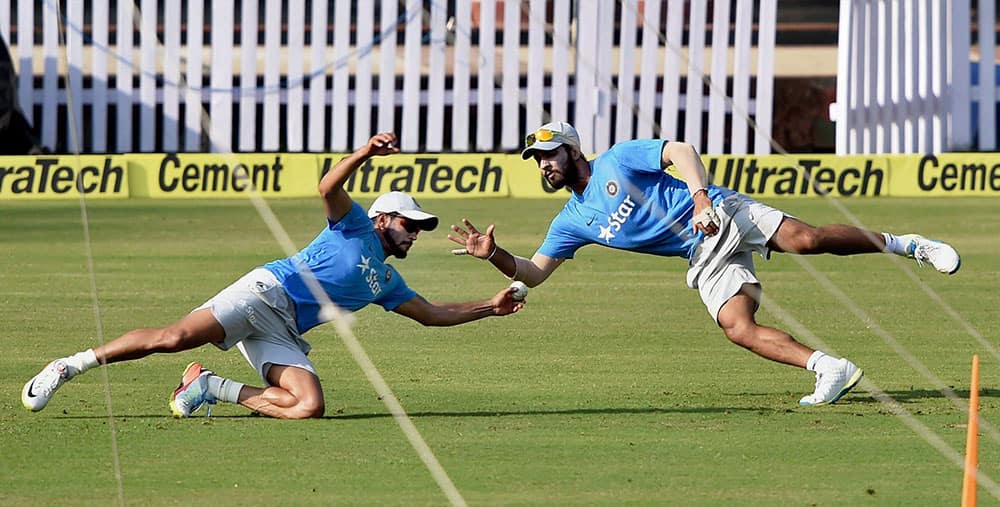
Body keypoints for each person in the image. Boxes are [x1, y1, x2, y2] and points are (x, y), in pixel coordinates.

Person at [449, 121, 961, 406]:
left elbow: (683, 149)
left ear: (573, 151)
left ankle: (908, 244)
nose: (544, 166)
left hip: (720, 212)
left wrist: (701, 200)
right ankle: (830, 368)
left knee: (806, 239)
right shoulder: (570, 220)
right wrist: (494, 256)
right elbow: (534, 272)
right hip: (700, 253)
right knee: (738, 329)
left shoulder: (618, 158)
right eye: (538, 161)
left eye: (550, 155)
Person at [22, 132, 524, 419]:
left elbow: (432, 315)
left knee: (308, 407)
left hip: (283, 330)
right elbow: (327, 186)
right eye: (408, 225)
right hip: (264, 293)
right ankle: (68, 365)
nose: (414, 234)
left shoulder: (388, 283)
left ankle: (208, 388)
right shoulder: (354, 225)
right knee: (173, 337)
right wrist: (365, 155)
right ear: (382, 220)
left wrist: (490, 306)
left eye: (419, 229)